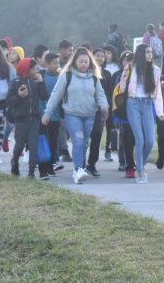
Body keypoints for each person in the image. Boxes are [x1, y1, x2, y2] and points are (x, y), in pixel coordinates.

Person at [43, 47, 108, 184]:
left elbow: (100, 95)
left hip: (89, 115)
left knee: (84, 143)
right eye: (80, 61)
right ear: (75, 62)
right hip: (72, 115)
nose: (83, 64)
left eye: (86, 61)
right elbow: (55, 95)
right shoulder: (67, 75)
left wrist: (104, 106)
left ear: (90, 63)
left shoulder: (94, 77)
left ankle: (80, 168)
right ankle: (78, 170)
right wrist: (47, 113)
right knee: (78, 141)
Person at [120, 43, 164, 184]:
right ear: (140, 54)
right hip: (132, 104)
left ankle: (140, 163)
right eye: (147, 52)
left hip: (147, 104)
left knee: (150, 141)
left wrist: (160, 111)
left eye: (151, 52)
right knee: (140, 139)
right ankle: (140, 172)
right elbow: (122, 88)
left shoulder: (156, 70)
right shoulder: (130, 68)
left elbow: (158, 93)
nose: (150, 54)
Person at [7, 58, 48, 179]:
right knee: (19, 145)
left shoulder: (35, 82)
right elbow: (9, 101)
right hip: (21, 119)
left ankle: (31, 172)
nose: (36, 71)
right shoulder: (16, 82)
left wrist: (41, 82)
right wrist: (19, 96)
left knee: (33, 145)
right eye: (34, 69)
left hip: (34, 119)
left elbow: (44, 96)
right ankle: (14, 163)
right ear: (26, 69)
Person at [86, 48, 115, 177]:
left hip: (100, 110)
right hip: (86, 109)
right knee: (84, 138)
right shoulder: (86, 71)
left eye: (102, 56)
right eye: (97, 55)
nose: (100, 58)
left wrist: (107, 108)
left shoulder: (107, 74)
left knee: (97, 136)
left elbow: (109, 93)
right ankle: (80, 163)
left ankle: (92, 164)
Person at [112, 51, 137, 178]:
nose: (128, 63)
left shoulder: (142, 74)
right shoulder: (119, 76)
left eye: (131, 61)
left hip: (139, 112)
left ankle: (139, 163)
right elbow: (117, 95)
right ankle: (129, 165)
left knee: (139, 139)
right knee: (127, 139)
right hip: (125, 113)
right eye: (126, 61)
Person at [37, 52, 61, 179]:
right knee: (43, 142)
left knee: (53, 142)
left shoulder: (60, 77)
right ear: (46, 64)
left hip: (56, 116)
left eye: (58, 63)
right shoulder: (41, 76)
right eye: (54, 63)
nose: (57, 65)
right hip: (43, 114)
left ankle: (51, 166)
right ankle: (42, 169)